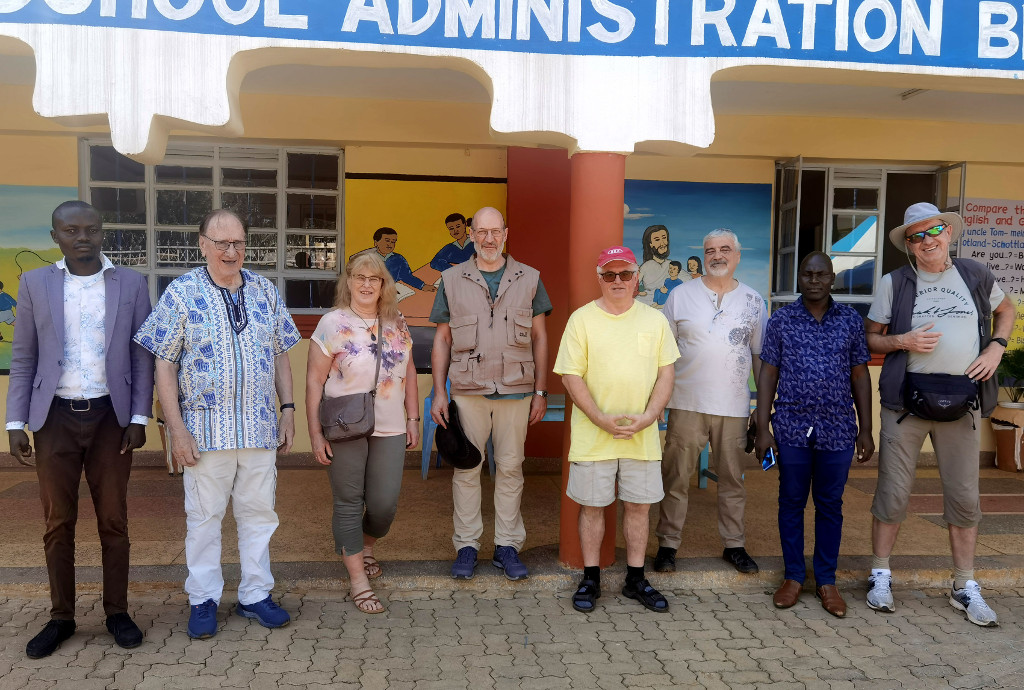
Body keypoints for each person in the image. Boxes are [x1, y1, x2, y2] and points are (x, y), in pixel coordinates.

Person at [134, 209, 301, 639]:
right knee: (205, 517)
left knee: (260, 515)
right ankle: (203, 598)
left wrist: (288, 409)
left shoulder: (264, 290)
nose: (232, 251)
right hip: (205, 433)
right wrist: (176, 429)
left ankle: (255, 595)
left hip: (260, 427)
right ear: (203, 244)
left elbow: (281, 352)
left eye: (239, 243)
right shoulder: (182, 292)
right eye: (222, 243)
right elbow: (163, 364)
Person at [6, 200, 154, 658]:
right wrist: (15, 420)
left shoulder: (130, 282)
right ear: (56, 236)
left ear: (102, 232)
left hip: (112, 416)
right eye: (72, 230)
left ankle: (117, 611)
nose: (83, 237)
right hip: (54, 418)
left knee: (113, 518)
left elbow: (141, 355)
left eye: (91, 229)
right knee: (57, 521)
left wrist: (139, 417)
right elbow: (24, 355)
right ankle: (61, 617)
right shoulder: (34, 283)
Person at [864, 202, 1016, 627]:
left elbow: (1006, 310)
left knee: (965, 498)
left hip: (962, 403)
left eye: (934, 231)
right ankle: (880, 575)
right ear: (908, 246)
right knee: (892, 493)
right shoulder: (895, 282)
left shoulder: (975, 275)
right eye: (916, 236)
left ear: (948, 232)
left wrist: (996, 347)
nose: (927, 240)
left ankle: (964, 586)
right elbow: (872, 338)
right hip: (905, 405)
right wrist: (904, 340)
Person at [429, 206, 552, 581]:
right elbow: (442, 339)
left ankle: (507, 546)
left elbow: (540, 337)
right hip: (468, 390)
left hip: (516, 391)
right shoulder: (451, 279)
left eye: (494, 231)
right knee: (467, 469)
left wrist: (541, 390)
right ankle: (466, 545)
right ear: (471, 234)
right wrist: (438, 392)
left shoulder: (529, 278)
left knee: (512, 469)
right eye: (480, 231)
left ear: (505, 233)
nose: (488, 239)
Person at [554, 246, 679, 614]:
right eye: (610, 275)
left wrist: (650, 416)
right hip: (594, 435)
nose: (618, 281)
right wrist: (597, 418)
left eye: (625, 274)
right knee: (592, 507)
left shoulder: (655, 321)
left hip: (641, 435)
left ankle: (635, 578)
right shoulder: (581, 320)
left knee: (639, 507)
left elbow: (666, 373)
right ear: (600, 278)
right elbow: (571, 375)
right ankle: (590, 577)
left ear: (636, 277)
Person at [755, 252, 874, 618]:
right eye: (808, 274)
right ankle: (793, 577)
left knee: (830, 506)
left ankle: (826, 581)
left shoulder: (850, 321)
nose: (814, 280)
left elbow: (859, 375)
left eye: (821, 274)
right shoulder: (782, 320)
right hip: (791, 425)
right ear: (800, 278)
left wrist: (866, 429)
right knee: (790, 502)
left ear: (832, 278)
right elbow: (768, 374)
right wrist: (762, 428)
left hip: (837, 428)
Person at [306, 253, 419, 614]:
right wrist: (314, 433)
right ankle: (358, 580)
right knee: (349, 501)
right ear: (349, 281)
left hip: (390, 426)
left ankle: (367, 545)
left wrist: (413, 418)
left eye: (375, 278)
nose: (367, 284)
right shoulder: (331, 323)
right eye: (360, 277)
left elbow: (410, 371)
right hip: (344, 426)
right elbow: (313, 382)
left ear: (384, 284)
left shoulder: (397, 321)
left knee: (384, 505)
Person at [654, 229, 768, 575]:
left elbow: (761, 358)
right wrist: (657, 401)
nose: (717, 256)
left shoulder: (753, 301)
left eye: (725, 250)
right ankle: (667, 545)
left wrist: (761, 413)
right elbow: (663, 356)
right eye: (710, 251)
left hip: (734, 407)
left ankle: (734, 545)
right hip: (686, 402)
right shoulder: (680, 296)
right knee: (675, 478)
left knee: (733, 480)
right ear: (704, 256)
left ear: (737, 256)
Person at [352, 227, 437, 293]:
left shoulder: (398, 259)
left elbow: (407, 276)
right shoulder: (367, 259)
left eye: (393, 242)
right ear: (376, 242)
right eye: (387, 240)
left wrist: (423, 286)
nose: (390, 244)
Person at [636, 224, 671, 305]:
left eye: (664, 238)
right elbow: (632, 286)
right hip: (647, 303)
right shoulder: (646, 266)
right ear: (650, 244)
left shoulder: (671, 265)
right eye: (657, 240)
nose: (662, 243)